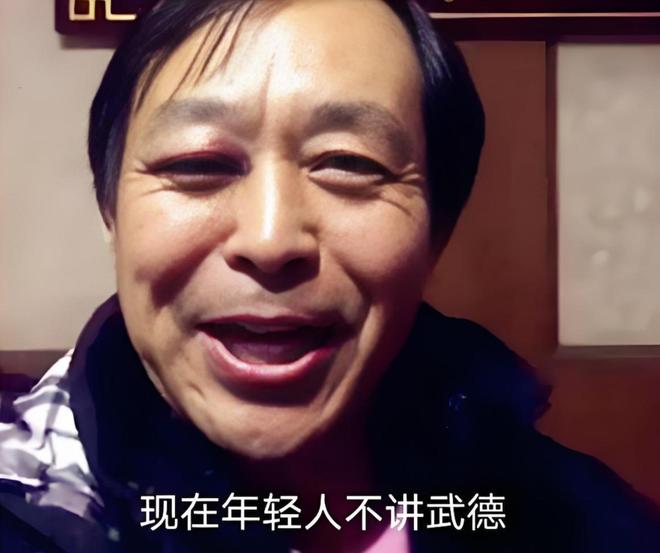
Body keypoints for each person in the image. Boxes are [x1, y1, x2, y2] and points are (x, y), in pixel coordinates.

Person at [0, 0, 658, 551]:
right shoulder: (32, 510)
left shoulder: (564, 513)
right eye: (197, 164)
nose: (271, 240)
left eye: (350, 164)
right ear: (111, 210)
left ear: (437, 229)